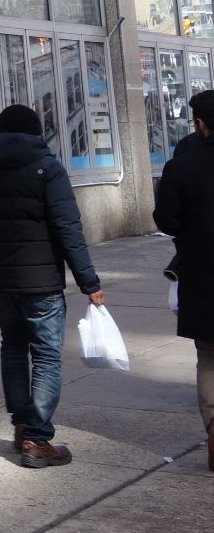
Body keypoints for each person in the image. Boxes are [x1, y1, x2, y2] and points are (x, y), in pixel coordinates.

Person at [0, 104, 105, 468]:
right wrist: (89, 282)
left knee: (14, 348)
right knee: (47, 355)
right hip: (42, 282)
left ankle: (21, 426)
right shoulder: (47, 169)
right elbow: (69, 228)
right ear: (36, 133)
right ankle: (36, 439)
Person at [155, 89, 214, 471]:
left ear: (201, 123)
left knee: (208, 356)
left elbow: (166, 219)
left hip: (203, 270)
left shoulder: (182, 165)